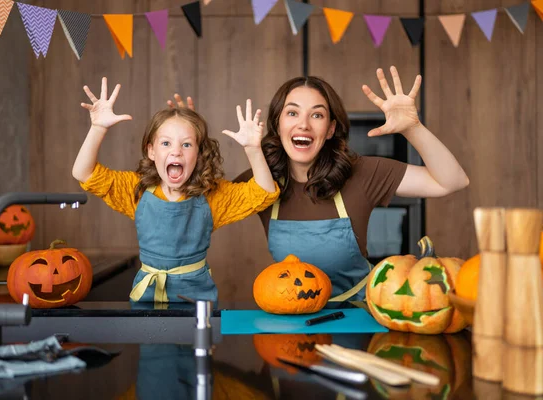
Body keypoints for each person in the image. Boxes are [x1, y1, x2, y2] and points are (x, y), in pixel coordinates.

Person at [168, 66, 469, 302]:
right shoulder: (260, 182)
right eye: (292, 112)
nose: (304, 124)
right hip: (292, 317)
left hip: (358, 320)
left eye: (317, 115)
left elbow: (451, 181)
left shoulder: (362, 172)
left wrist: (413, 128)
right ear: (278, 125)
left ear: (330, 130)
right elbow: (194, 207)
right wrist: (190, 141)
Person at [72, 77, 279, 304]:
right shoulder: (136, 190)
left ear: (199, 155)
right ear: (151, 151)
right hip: (147, 297)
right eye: (166, 143)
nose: (176, 152)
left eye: (187, 144)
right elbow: (83, 173)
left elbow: (265, 192)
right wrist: (98, 128)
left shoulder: (212, 197)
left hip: (197, 299)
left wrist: (253, 149)